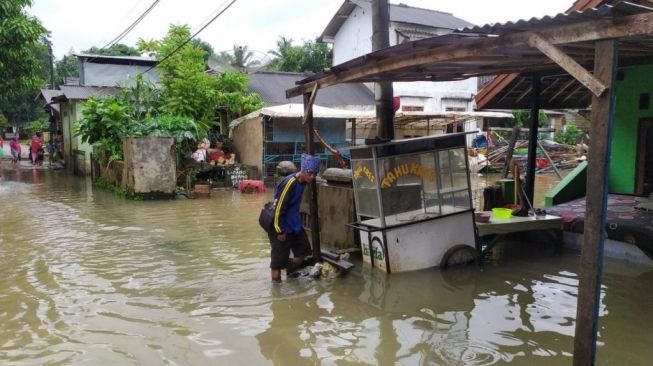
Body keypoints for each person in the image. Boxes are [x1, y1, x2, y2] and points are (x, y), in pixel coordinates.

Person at [269, 153, 320, 282]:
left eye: (315, 174)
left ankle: (290, 277)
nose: (313, 176)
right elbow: (278, 207)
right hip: (281, 226)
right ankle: (277, 289)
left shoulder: (303, 183)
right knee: (277, 263)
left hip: (295, 226)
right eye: (310, 173)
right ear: (302, 171)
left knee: (303, 252)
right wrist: (279, 230)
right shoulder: (290, 183)